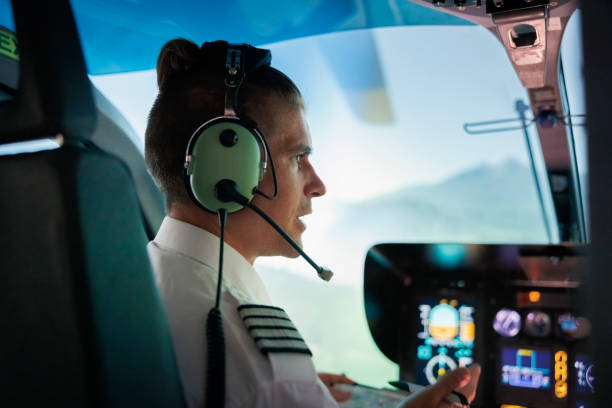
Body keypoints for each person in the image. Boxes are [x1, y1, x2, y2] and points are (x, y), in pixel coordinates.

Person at [144, 38, 480, 408]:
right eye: (298, 157)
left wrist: (306, 392)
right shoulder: (262, 364)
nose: (318, 185)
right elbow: (258, 382)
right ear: (228, 170)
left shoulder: (141, 275)